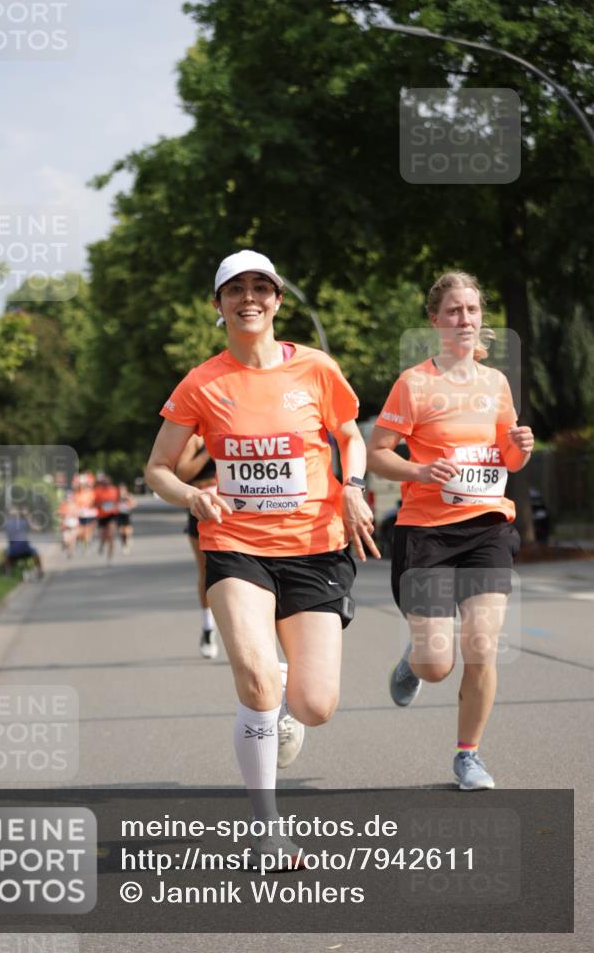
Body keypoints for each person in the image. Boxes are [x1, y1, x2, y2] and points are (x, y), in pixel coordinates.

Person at [146, 249, 379, 868]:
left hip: (314, 546)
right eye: (236, 289)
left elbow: (350, 435)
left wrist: (353, 487)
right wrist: (192, 495)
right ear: (218, 304)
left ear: (277, 300)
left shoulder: (316, 368)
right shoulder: (202, 383)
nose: (249, 298)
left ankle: (279, 694)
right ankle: (269, 829)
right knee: (254, 681)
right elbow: (158, 468)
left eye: (261, 288)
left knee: (314, 705)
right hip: (235, 544)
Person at [367, 270, 534, 790]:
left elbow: (506, 458)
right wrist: (418, 471)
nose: (465, 319)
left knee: (482, 646)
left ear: (482, 319)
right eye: (454, 311)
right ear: (435, 321)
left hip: (487, 527)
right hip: (428, 533)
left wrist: (520, 449)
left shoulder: (496, 383)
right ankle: (414, 662)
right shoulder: (415, 383)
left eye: (472, 310)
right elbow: (377, 453)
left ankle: (468, 755)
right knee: (437, 664)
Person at [175, 435, 219, 659]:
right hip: (203, 507)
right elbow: (182, 474)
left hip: (235, 506)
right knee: (207, 571)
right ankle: (208, 627)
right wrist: (209, 450)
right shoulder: (194, 438)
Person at [3, 507, 44, 578]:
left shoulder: (8, 523)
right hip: (25, 549)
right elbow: (37, 529)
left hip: (14, 550)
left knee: (5, 553)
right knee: (36, 553)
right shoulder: (23, 521)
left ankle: (8, 574)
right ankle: (40, 571)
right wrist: (27, 516)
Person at [93, 473, 120, 562]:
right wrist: (101, 503)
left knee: (111, 535)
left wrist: (114, 505)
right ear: (102, 483)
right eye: (104, 483)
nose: (106, 485)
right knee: (104, 535)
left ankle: (110, 555)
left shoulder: (114, 490)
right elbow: (94, 503)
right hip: (102, 515)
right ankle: (102, 544)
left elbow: (117, 501)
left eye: (108, 483)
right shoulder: (98, 491)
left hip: (112, 515)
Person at [116, 483, 136, 555]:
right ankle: (124, 543)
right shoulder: (116, 496)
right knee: (121, 530)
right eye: (120, 489)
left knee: (127, 531)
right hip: (119, 514)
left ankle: (127, 540)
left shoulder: (129, 496)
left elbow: (134, 504)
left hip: (127, 514)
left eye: (122, 489)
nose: (121, 491)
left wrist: (128, 502)